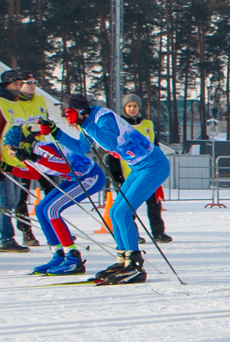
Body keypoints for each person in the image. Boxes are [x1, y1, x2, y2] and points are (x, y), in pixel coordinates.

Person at [60, 92, 172, 284]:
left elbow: (110, 142)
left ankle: (135, 264)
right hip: (138, 167)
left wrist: (84, 123)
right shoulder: (89, 121)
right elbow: (81, 147)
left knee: (122, 212)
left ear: (76, 112)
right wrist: (56, 133)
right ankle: (123, 259)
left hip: (153, 165)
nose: (66, 120)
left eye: (67, 115)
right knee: (114, 212)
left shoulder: (103, 117)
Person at [2, 114, 104, 276]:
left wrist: (35, 157)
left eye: (11, 148)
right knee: (41, 209)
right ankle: (59, 254)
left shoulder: (41, 149)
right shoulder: (29, 155)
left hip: (89, 176)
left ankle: (73, 258)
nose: (11, 153)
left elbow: (65, 168)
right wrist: (7, 168)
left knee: (52, 210)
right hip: (74, 179)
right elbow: (35, 175)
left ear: (20, 144)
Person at [0, 68, 48, 251]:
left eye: (19, 84)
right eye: (15, 84)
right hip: (2, 160)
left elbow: (21, 130)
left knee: (13, 201)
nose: (18, 87)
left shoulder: (16, 104)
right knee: (7, 201)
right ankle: (6, 239)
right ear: (6, 85)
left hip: (15, 160)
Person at [120, 94, 170, 242]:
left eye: (135, 106)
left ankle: (158, 232)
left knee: (154, 204)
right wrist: (116, 174)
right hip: (129, 173)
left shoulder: (148, 124)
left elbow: (156, 146)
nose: (132, 109)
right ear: (124, 108)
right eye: (129, 106)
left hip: (150, 171)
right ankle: (133, 235)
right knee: (129, 206)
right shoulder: (121, 125)